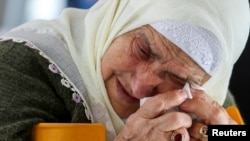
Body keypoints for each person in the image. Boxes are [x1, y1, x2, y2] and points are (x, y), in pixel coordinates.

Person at [0, 0, 249, 141]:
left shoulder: (200, 98)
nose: (141, 86)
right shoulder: (18, 66)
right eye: (142, 49)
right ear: (120, 16)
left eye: (176, 77)